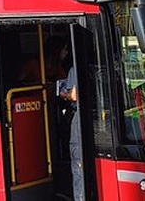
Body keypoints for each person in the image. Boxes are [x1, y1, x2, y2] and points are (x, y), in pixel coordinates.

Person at [60, 65, 84, 201]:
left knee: (78, 162)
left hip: (79, 118)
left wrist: (64, 94)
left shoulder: (75, 68)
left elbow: (74, 95)